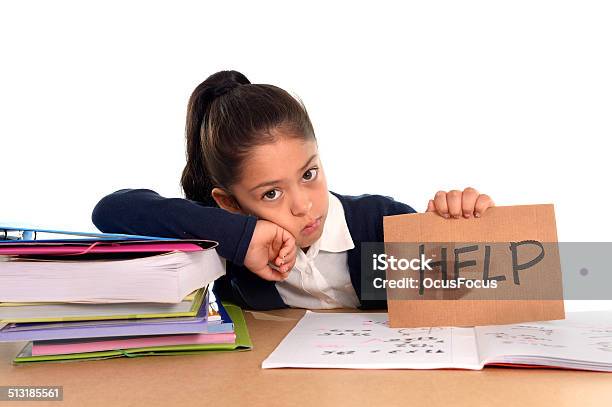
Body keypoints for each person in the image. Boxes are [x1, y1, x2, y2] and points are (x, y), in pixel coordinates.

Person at [92, 70, 495, 310]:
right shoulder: (231, 248)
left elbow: (479, 293)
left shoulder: (380, 225)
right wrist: (242, 237)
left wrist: (467, 227)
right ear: (229, 203)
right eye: (271, 193)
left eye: (309, 174)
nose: (304, 205)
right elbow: (110, 211)